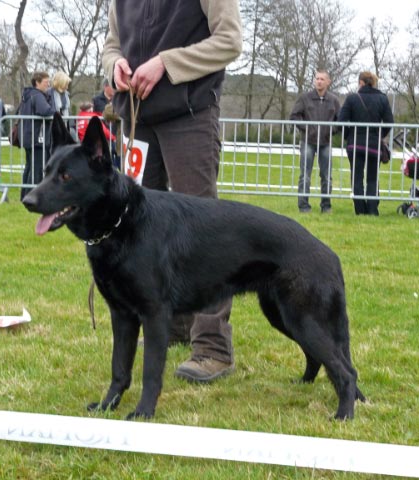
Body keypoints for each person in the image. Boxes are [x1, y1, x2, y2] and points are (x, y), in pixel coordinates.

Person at [102, 0, 242, 382]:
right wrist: (114, 65)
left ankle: (213, 346)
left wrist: (167, 62)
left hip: (191, 116)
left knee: (202, 231)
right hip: (136, 119)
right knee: (137, 229)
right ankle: (170, 326)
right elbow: (112, 44)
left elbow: (230, 40)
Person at [338, 71, 394, 215]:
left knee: (356, 177)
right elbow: (389, 122)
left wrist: (347, 137)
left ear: (361, 83)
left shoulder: (352, 98)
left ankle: (360, 210)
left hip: (355, 144)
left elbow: (341, 121)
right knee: (372, 178)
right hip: (374, 145)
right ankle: (372, 209)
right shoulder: (382, 98)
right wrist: (379, 135)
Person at [289, 70, 340, 213]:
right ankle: (304, 205)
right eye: (317, 78)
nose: (319, 81)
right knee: (305, 175)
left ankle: (326, 205)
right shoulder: (305, 98)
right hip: (308, 141)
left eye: (322, 79)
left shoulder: (334, 100)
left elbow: (340, 120)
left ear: (328, 82)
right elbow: (294, 116)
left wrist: (331, 130)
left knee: (326, 176)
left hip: (326, 142)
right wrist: (307, 128)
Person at [19, 71, 56, 200]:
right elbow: (45, 110)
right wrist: (54, 110)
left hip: (29, 136)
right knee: (37, 168)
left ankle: (25, 195)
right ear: (37, 83)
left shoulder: (27, 95)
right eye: (46, 82)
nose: (48, 85)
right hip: (37, 137)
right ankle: (32, 196)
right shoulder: (37, 95)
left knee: (30, 166)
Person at [48, 71, 77, 141]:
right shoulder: (48, 94)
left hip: (65, 125)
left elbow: (68, 110)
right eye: (66, 84)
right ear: (60, 83)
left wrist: (71, 125)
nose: (67, 87)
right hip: (52, 126)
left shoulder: (66, 95)